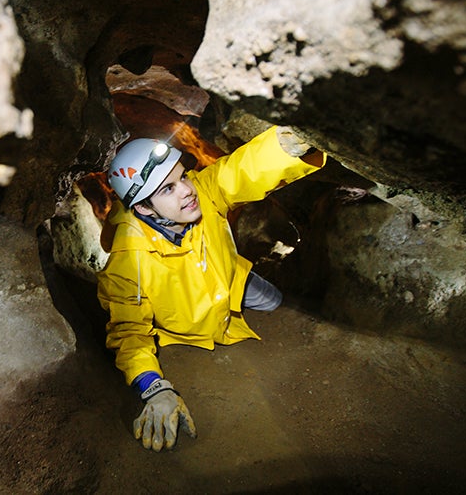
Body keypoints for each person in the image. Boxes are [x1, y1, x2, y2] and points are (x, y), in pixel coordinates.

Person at [97, 125, 326, 452]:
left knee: (281, 305)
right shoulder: (128, 262)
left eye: (183, 178)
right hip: (190, 323)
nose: (186, 191)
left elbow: (237, 172)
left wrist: (282, 147)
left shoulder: (202, 192)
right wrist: (154, 388)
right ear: (144, 209)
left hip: (230, 282)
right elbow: (129, 330)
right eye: (167, 190)